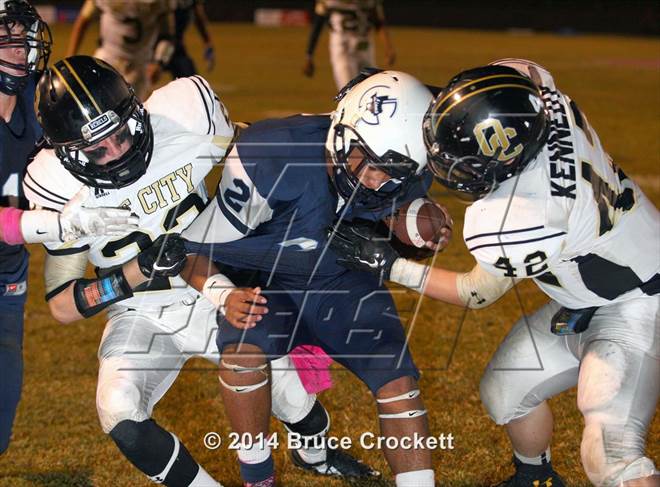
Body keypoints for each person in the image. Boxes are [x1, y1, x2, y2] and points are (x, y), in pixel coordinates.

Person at [23, 55, 377, 486]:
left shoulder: (182, 122)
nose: (117, 151)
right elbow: (62, 306)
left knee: (298, 404)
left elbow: (263, 147)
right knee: (118, 409)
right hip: (138, 314)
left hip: (213, 288)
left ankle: (315, 454)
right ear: (67, 153)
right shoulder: (58, 189)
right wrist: (136, 273)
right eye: (97, 149)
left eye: (122, 133)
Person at [329, 59, 660, 486]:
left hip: (639, 303)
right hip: (590, 291)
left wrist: (390, 264)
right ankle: (535, 477)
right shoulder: (537, 95)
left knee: (611, 454)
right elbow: (492, 91)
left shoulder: (524, 217)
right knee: (505, 392)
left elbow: (475, 292)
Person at [177, 70, 437, 486]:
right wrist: (223, 293)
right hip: (268, 281)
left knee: (399, 385)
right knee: (242, 356)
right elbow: (187, 250)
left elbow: (406, 224)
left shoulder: (410, 163)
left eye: (390, 170)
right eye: (365, 159)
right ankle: (258, 479)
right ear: (342, 131)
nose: (373, 178)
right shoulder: (273, 157)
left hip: (340, 280)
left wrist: (420, 229)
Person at [0, 0, 138, 455]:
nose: (19, 49)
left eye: (22, 36)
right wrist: (54, 223)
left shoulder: (38, 101)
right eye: (5, 38)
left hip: (7, 277)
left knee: (2, 410)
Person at [67, 0, 175, 100]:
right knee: (93, 101)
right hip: (106, 59)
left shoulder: (160, 3)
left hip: (138, 65)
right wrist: (70, 56)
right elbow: (83, 21)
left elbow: (168, 36)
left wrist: (159, 62)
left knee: (131, 109)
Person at [303, 0, 395, 90]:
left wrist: (388, 47)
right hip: (342, 47)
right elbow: (317, 26)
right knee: (348, 90)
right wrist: (309, 55)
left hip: (365, 47)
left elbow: (378, 22)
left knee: (372, 88)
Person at [160, 0, 215, 79]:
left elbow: (198, 16)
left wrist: (207, 43)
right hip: (153, 44)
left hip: (175, 45)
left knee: (189, 80)